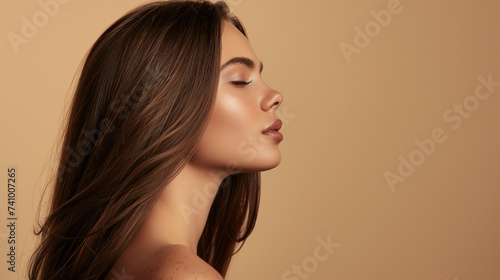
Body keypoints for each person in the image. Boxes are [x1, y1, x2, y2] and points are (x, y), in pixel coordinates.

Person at [28, 1, 284, 279]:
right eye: (240, 80)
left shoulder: (125, 262)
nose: (274, 95)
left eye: (259, 76)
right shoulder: (184, 274)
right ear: (163, 105)